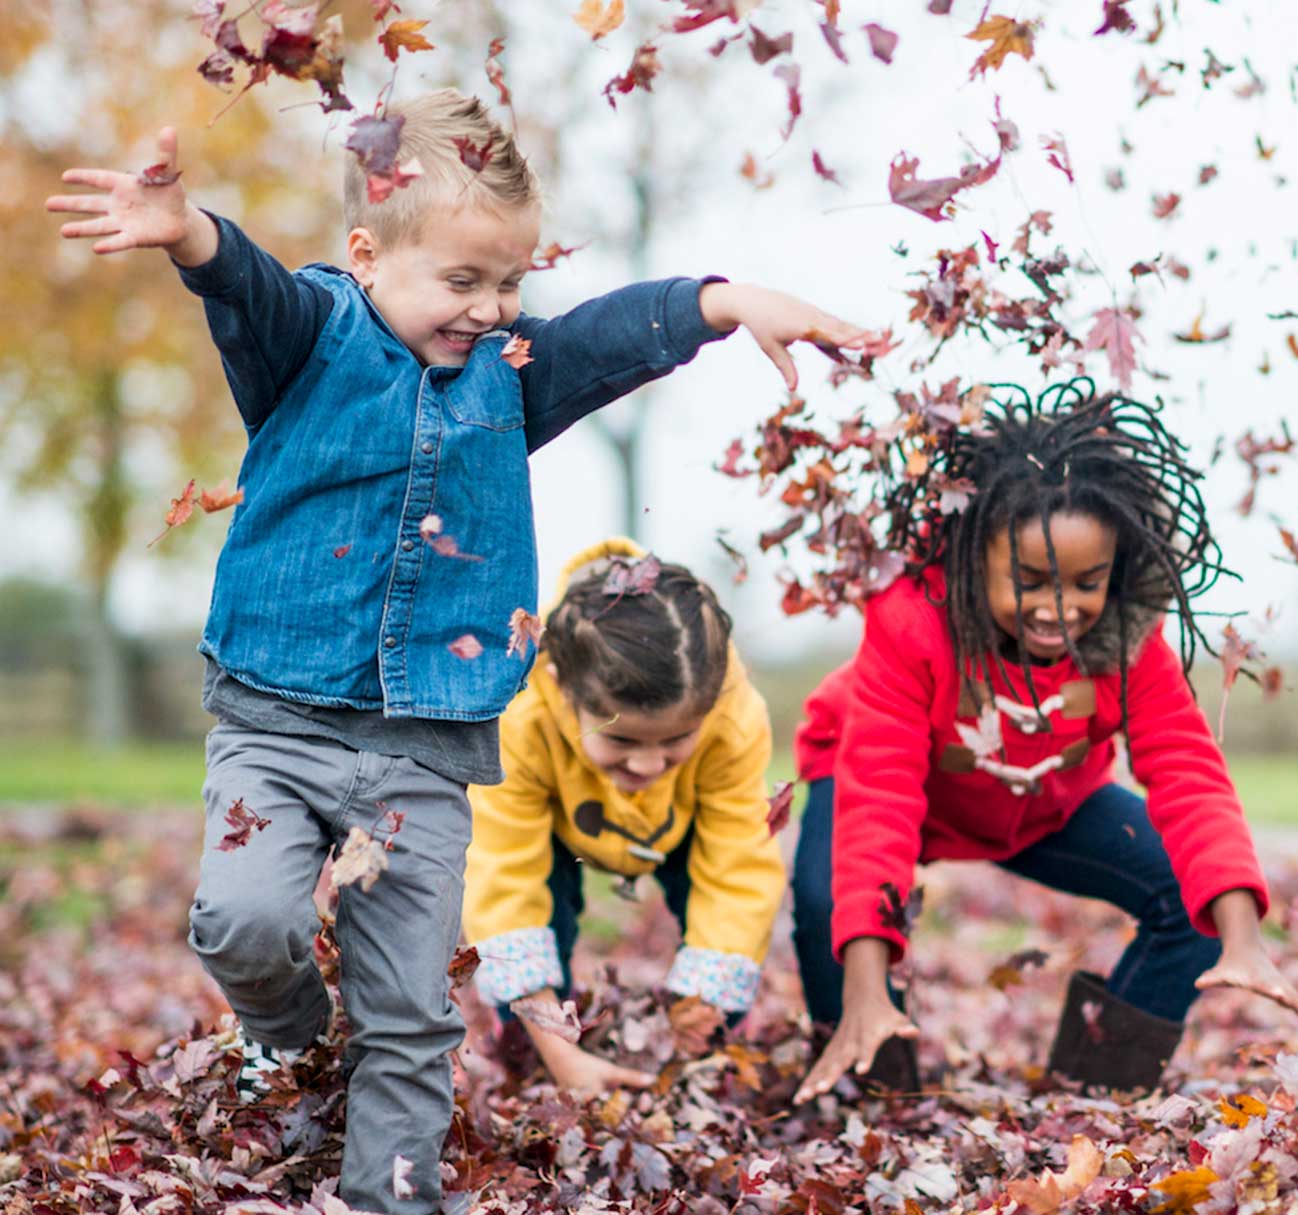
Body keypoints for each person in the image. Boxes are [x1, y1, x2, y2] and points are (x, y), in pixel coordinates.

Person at [47, 89, 866, 1214]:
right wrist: (191, 232)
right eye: (464, 281)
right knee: (247, 920)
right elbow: (248, 288)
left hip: (426, 749)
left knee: (410, 1012)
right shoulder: (311, 341)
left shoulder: (513, 374)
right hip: (278, 722)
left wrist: (725, 302)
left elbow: (613, 335)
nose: (491, 309)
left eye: (510, 283)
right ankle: (285, 1034)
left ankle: (396, 1195)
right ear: (369, 254)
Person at [789, 379, 1298, 1103]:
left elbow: (1188, 773)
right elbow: (880, 797)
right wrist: (865, 986)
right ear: (973, 560)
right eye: (1030, 580)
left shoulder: (1129, 639)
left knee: (1195, 894)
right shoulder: (911, 620)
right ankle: (867, 1076)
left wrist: (1239, 932)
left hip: (1043, 800)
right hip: (896, 782)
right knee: (828, 896)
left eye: (1086, 582)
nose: (1059, 608)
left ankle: (1094, 1093)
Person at [464, 539, 785, 1093]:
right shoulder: (521, 717)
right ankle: (541, 1054)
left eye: (677, 738)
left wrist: (701, 1001)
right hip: (562, 827)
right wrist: (563, 1058)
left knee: (719, 988)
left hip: (685, 823)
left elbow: (738, 868)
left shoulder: (734, 716)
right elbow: (503, 882)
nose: (647, 762)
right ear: (564, 689)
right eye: (623, 738)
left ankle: (711, 1033)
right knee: (536, 991)